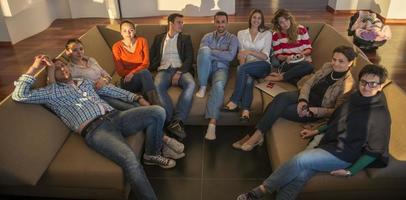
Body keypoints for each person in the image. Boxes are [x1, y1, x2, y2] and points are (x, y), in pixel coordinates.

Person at [12, 55, 182, 200]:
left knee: (157, 111)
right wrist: (34, 67)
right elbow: (19, 94)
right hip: (96, 130)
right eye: (57, 68)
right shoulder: (52, 92)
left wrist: (136, 98)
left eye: (64, 65)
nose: (63, 68)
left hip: (116, 116)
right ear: (52, 74)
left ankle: (152, 154)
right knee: (130, 159)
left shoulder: (84, 82)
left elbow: (111, 91)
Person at [237, 64, 391, 200]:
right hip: (328, 140)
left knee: (300, 160)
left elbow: (375, 150)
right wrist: (317, 130)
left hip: (343, 153)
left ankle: (260, 191)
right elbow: (337, 121)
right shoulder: (356, 97)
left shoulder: (378, 115)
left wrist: (351, 171)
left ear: (381, 86)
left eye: (372, 84)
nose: (366, 87)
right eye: (364, 82)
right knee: (301, 175)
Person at [233, 45, 357, 151]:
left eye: (341, 61)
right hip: (304, 96)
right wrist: (303, 100)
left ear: (350, 62)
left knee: (278, 107)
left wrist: (313, 110)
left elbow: (336, 111)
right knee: (280, 97)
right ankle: (257, 136)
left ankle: (254, 135)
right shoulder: (327, 66)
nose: (335, 63)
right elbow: (308, 83)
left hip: (313, 109)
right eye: (334, 59)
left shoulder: (348, 85)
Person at [64, 38, 150, 111]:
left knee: (135, 102)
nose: (79, 52)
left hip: (109, 87)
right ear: (68, 52)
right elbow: (80, 89)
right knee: (130, 107)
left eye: (81, 49)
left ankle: (151, 113)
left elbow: (106, 75)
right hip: (100, 95)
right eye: (75, 50)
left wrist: (104, 80)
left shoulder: (91, 60)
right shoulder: (70, 70)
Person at [150, 13, 196, 140]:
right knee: (157, 85)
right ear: (171, 23)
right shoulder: (159, 38)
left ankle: (177, 119)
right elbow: (153, 55)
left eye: (182, 22)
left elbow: (189, 58)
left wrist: (180, 72)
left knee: (191, 84)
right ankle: (172, 122)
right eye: (179, 22)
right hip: (164, 69)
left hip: (180, 69)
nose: (182, 25)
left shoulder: (185, 38)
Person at [222, 9, 272, 122]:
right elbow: (241, 55)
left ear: (262, 20)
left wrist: (250, 52)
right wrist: (243, 72)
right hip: (247, 67)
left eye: (259, 18)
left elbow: (265, 56)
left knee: (242, 68)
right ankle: (245, 111)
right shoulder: (241, 33)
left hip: (263, 66)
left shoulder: (267, 34)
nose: (256, 20)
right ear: (250, 18)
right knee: (248, 80)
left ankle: (234, 101)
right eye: (254, 17)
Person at [195, 11, 239, 140]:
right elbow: (202, 53)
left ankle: (212, 124)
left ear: (227, 23)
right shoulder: (207, 36)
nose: (220, 24)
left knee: (219, 86)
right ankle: (202, 86)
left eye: (223, 22)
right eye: (218, 22)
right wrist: (219, 52)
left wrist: (211, 52)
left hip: (221, 69)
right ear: (214, 22)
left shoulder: (233, 38)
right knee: (204, 50)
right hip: (205, 68)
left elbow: (230, 56)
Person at [112, 20, 162, 106]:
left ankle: (148, 105)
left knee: (145, 74)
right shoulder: (116, 47)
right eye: (124, 31)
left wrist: (132, 72)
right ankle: (156, 106)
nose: (128, 33)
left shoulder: (142, 41)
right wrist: (132, 74)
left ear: (134, 31)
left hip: (143, 77)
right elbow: (120, 71)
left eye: (131, 30)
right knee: (146, 74)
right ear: (121, 33)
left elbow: (146, 63)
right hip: (128, 81)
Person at [266, 9, 314, 84]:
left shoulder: (301, 29)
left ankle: (283, 77)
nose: (285, 24)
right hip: (288, 63)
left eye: (286, 20)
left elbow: (309, 49)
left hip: (303, 61)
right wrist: (287, 57)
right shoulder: (276, 35)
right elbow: (278, 56)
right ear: (278, 24)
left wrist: (302, 54)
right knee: (309, 68)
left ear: (290, 19)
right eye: (281, 22)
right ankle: (284, 77)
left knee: (309, 67)